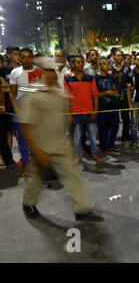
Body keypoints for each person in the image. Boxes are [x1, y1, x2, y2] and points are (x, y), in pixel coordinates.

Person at [21, 60, 103, 222]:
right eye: (47, 71)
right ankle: (28, 204)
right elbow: (27, 126)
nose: (51, 73)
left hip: (60, 144)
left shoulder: (60, 94)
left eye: (53, 71)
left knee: (73, 175)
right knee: (36, 178)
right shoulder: (34, 95)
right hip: (42, 146)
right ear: (41, 73)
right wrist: (36, 151)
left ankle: (82, 209)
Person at [9, 48, 44, 176]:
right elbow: (12, 94)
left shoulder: (39, 71)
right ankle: (26, 165)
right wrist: (17, 110)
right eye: (23, 57)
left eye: (29, 56)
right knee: (23, 141)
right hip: (20, 110)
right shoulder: (15, 72)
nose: (26, 59)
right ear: (20, 58)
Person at [65, 55, 104, 165]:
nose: (80, 64)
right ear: (73, 64)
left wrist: (95, 111)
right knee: (77, 136)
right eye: (78, 62)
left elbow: (95, 95)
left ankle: (95, 154)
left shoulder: (90, 78)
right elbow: (67, 98)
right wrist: (69, 114)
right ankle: (78, 156)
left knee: (92, 135)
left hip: (89, 111)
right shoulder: (68, 79)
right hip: (76, 112)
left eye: (82, 62)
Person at [95, 57, 120, 154]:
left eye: (108, 64)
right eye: (104, 64)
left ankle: (111, 145)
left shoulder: (111, 76)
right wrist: (106, 93)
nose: (107, 66)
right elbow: (95, 94)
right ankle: (103, 147)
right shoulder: (96, 78)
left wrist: (114, 92)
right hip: (103, 107)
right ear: (100, 66)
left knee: (115, 127)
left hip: (113, 105)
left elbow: (115, 87)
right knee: (103, 129)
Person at [110, 50, 131, 148]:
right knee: (113, 120)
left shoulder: (127, 69)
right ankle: (111, 140)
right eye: (117, 55)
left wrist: (130, 103)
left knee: (126, 120)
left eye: (121, 56)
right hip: (112, 98)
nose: (119, 57)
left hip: (124, 97)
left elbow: (129, 86)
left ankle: (125, 139)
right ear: (113, 57)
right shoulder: (109, 69)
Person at [0, 55, 17, 169]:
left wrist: (1, 105)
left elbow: (3, 90)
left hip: (3, 110)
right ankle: (9, 161)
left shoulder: (3, 75)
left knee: (3, 135)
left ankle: (9, 161)